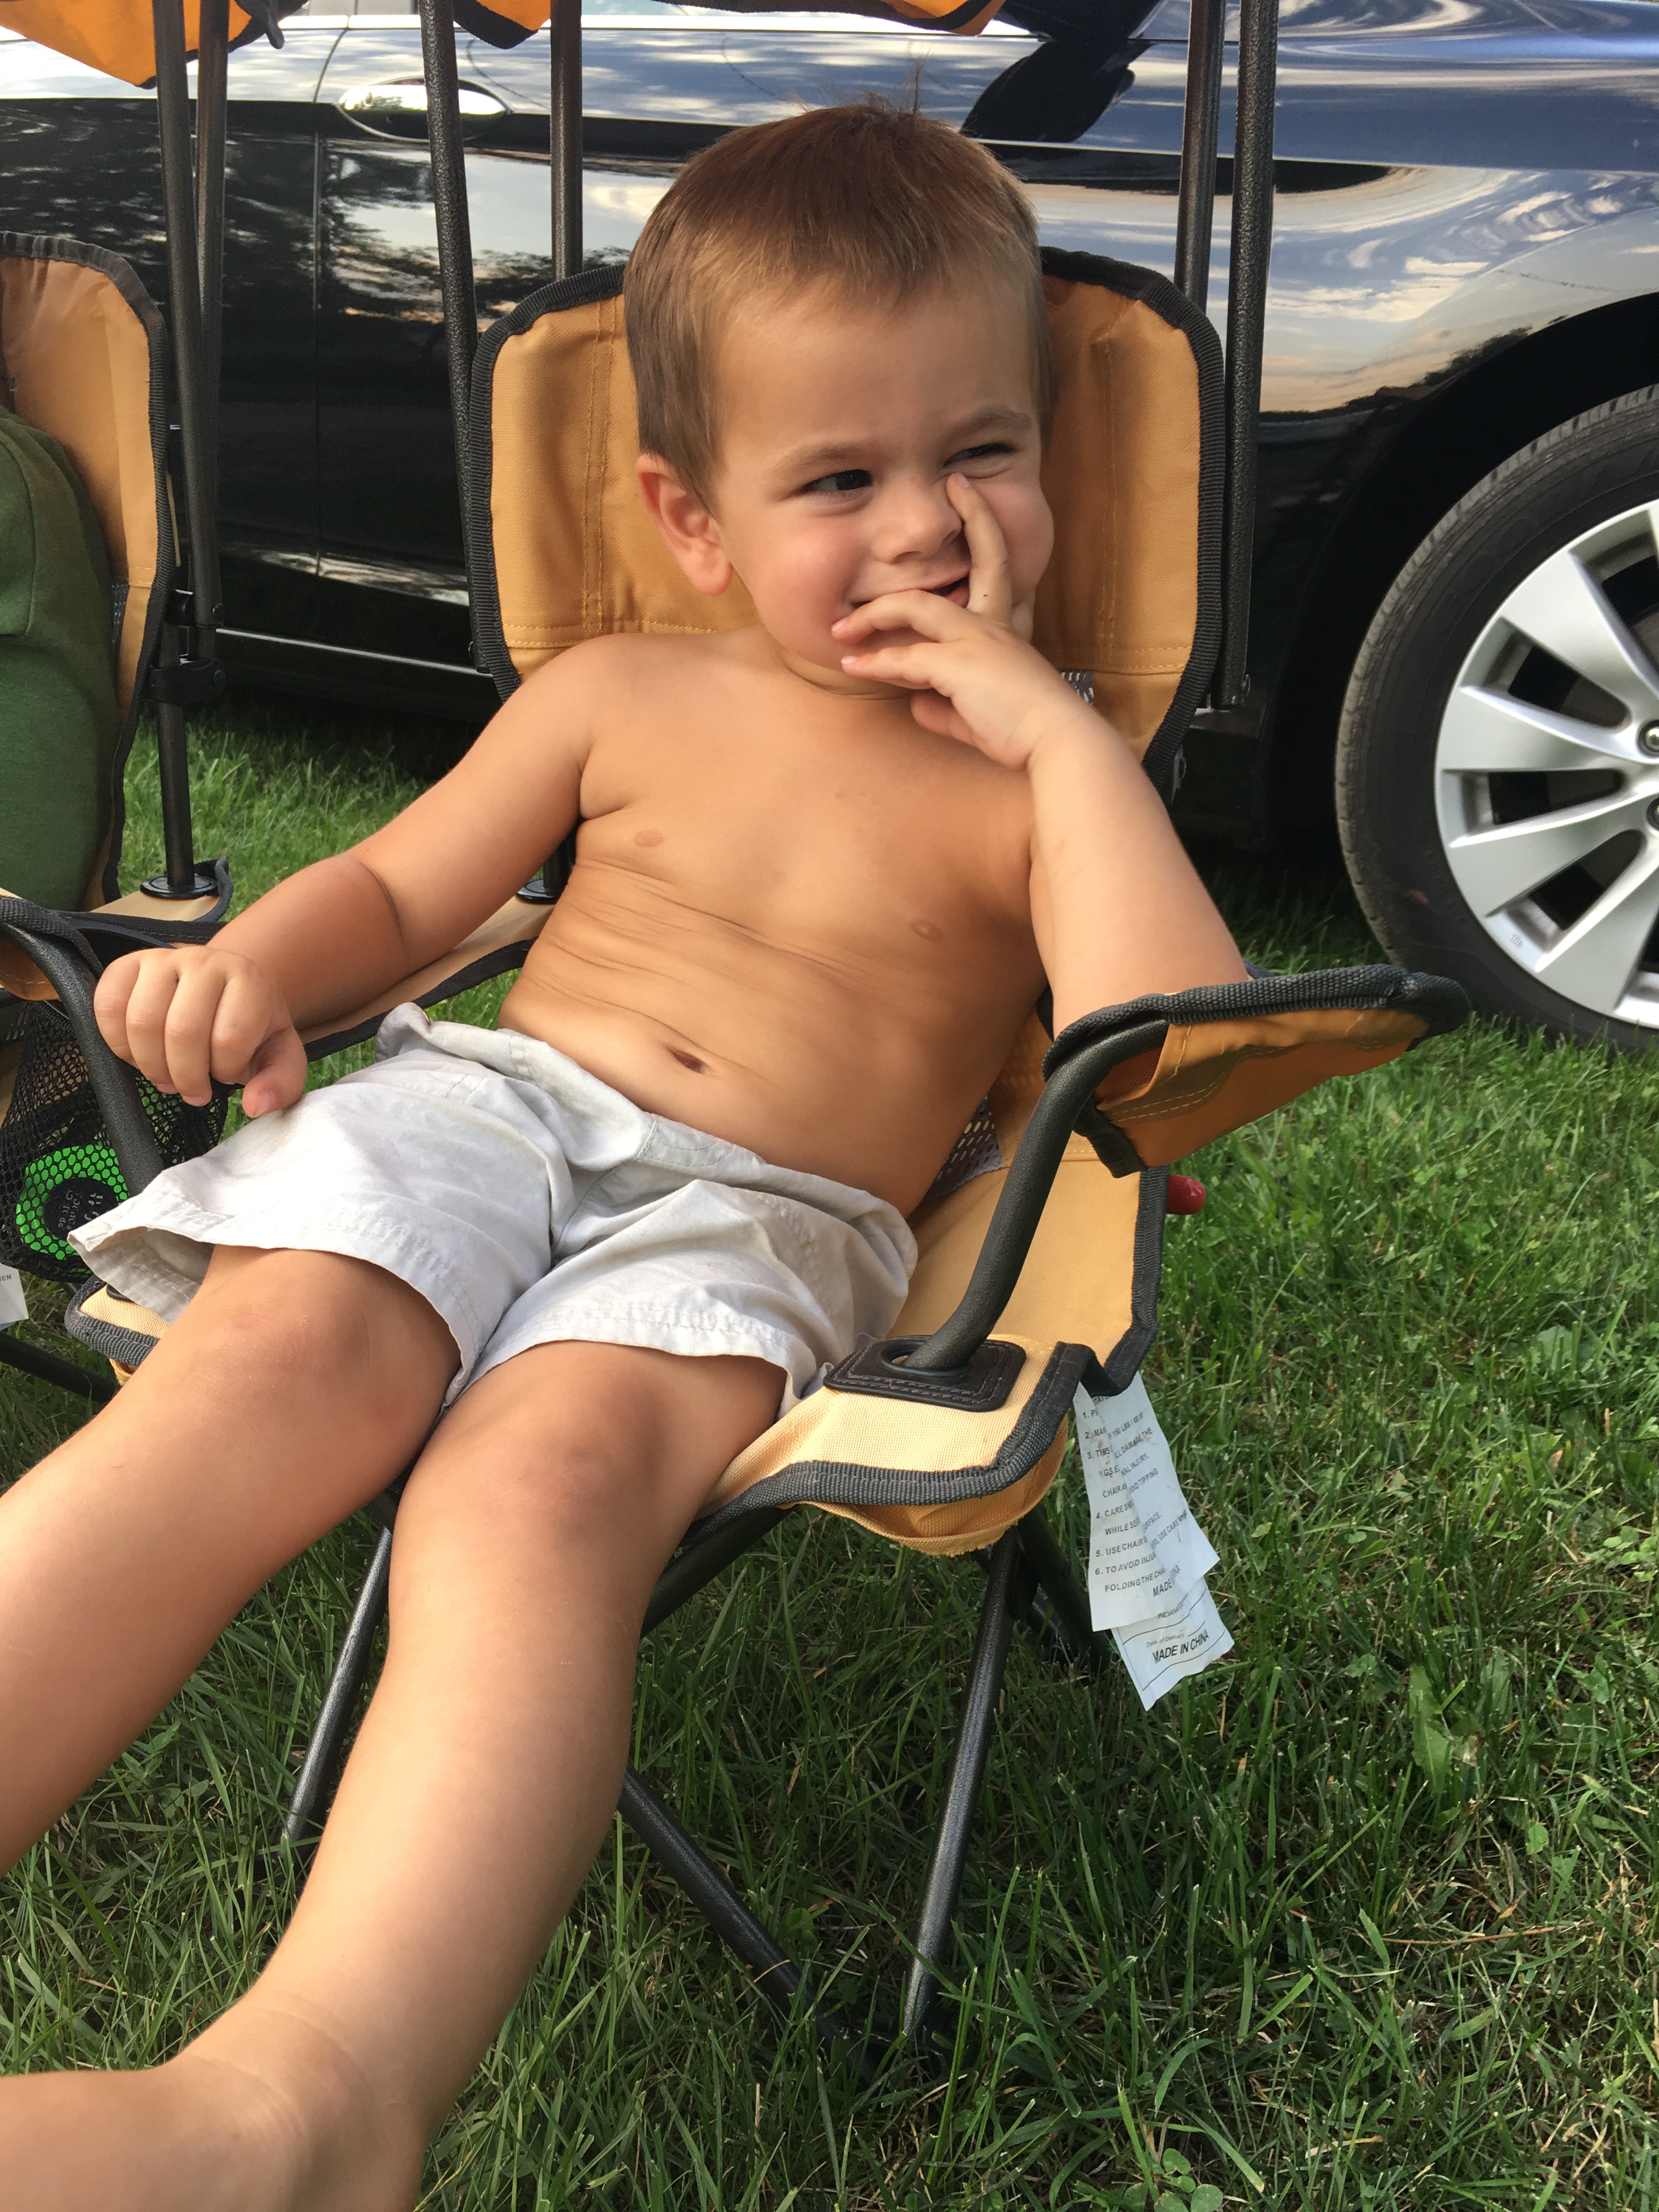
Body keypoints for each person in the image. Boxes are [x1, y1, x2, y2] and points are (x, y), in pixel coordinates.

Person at [0, 100, 1245, 2209]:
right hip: (488, 1108)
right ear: (693, 518)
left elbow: (1171, 1049)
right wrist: (255, 970)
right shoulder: (622, 695)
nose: (929, 529)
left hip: (756, 1225)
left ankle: (304, 2108)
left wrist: (1055, 732)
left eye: (986, 454)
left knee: (543, 1490)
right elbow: (399, 895)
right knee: (267, 1360)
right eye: (839, 481)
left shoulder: (1043, 791)